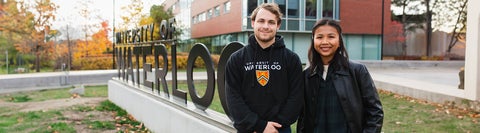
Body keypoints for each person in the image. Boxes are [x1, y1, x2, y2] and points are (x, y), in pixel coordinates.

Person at [225, 3, 304, 133]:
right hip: (249, 129)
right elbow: (233, 98)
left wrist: (273, 127)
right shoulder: (236, 59)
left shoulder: (291, 59)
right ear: (253, 22)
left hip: (279, 130)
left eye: (271, 22)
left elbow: (296, 97)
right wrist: (259, 126)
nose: (266, 26)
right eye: (261, 21)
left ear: (278, 25)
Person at [297, 18, 384, 133]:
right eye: (319, 37)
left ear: (339, 41)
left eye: (331, 37)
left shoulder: (357, 71)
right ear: (313, 41)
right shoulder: (307, 75)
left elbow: (375, 112)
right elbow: (303, 117)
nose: (325, 42)